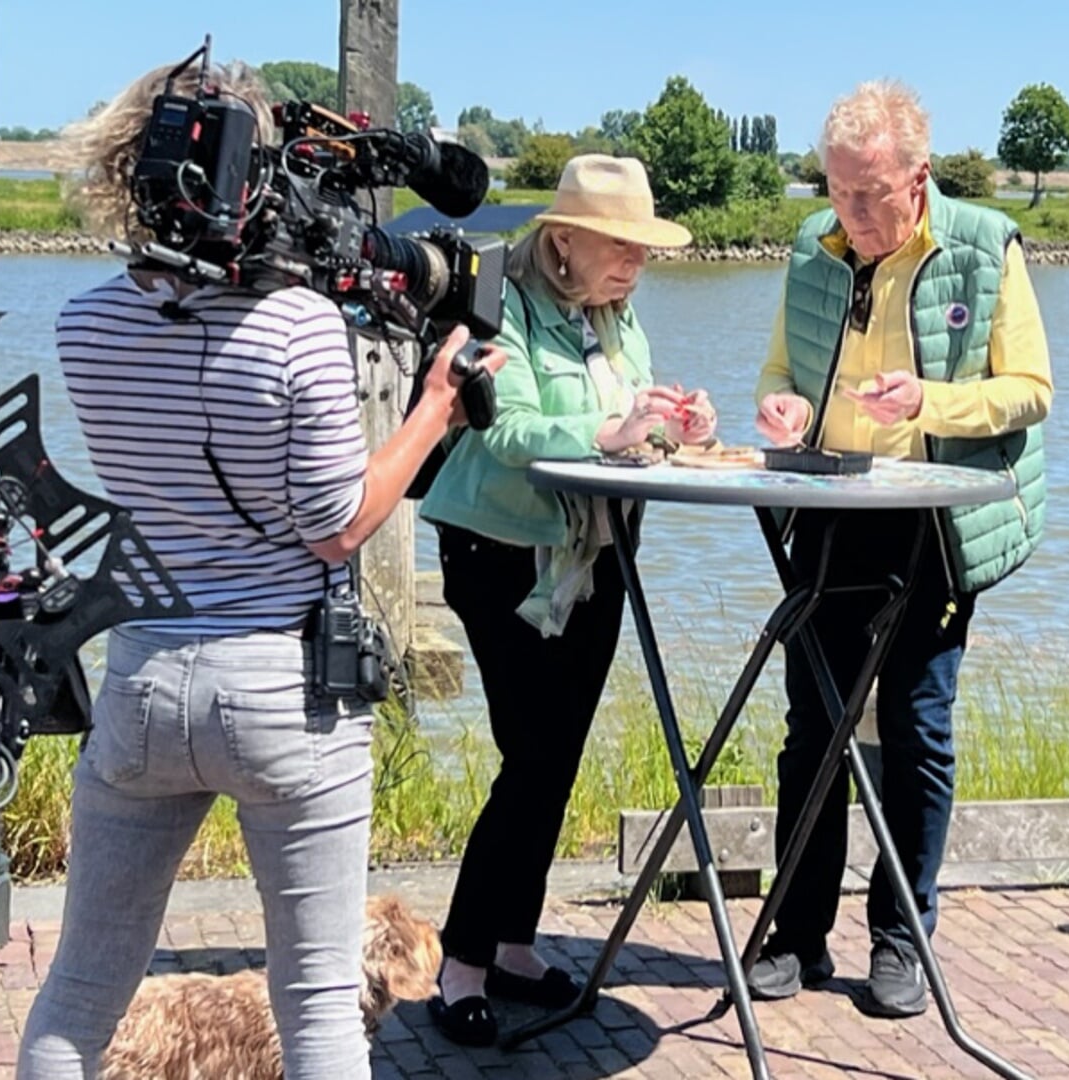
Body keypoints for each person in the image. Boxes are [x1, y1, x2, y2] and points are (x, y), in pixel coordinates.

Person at [15, 59, 503, 1080]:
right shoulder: (300, 326)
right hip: (282, 690)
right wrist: (434, 411)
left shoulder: (85, 324)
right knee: (320, 1005)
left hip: (143, 677)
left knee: (81, 989)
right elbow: (334, 525)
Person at [748, 80, 1053, 1019]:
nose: (850, 213)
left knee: (917, 729)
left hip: (935, 518)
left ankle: (900, 937)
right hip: (831, 506)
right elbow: (779, 370)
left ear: (917, 178)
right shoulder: (813, 249)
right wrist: (784, 409)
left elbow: (1031, 390)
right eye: (836, 191)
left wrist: (931, 403)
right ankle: (796, 934)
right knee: (814, 731)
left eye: (868, 195)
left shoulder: (983, 247)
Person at [418, 154, 715, 1047]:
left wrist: (673, 422)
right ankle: (460, 963)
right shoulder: (504, 303)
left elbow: (633, 425)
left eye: (643, 246)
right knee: (531, 754)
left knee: (560, 757)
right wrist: (605, 427)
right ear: (566, 239)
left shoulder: (620, 319)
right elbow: (501, 427)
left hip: (596, 557)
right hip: (498, 551)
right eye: (620, 244)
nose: (635, 261)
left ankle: (513, 943)